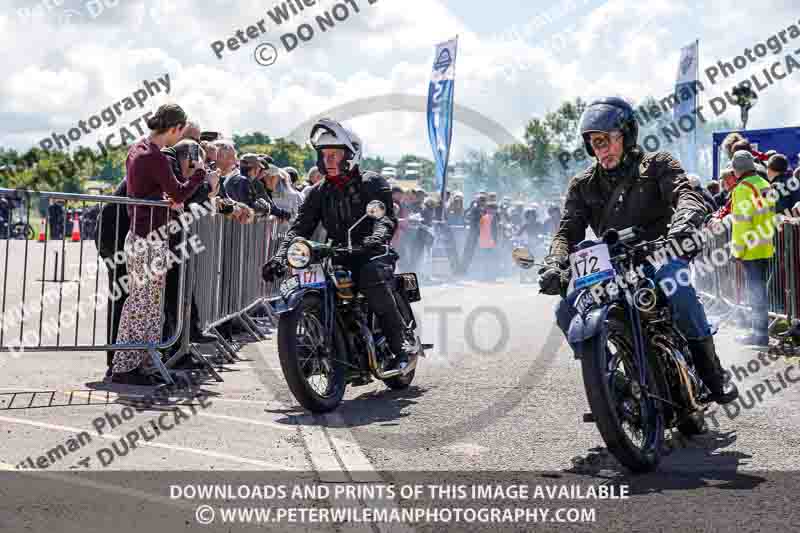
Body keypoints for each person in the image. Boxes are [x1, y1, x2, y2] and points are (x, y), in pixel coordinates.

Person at [537, 97, 737, 405]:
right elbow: (568, 230)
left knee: (677, 285)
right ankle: (609, 384)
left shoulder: (657, 165)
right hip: (612, 264)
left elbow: (686, 194)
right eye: (594, 144)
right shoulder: (582, 185)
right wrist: (555, 262)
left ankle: (712, 374)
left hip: (660, 252)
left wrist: (683, 224)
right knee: (565, 309)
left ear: (626, 135)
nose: (600, 150)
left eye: (606, 141)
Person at [261, 118, 414, 368]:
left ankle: (401, 346)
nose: (328, 160)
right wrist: (279, 257)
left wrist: (374, 239)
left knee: (369, 275)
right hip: (339, 252)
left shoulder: (372, 182)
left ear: (351, 155)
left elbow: (385, 219)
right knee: (313, 279)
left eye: (335, 154)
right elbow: (300, 227)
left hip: (373, 252)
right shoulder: (319, 192)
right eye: (324, 155)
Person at [112, 104, 217, 385]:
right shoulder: (155, 157)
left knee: (139, 303)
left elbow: (154, 190)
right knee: (145, 305)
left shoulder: (137, 149)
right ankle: (128, 366)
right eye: (181, 132)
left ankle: (132, 363)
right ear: (175, 128)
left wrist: (163, 198)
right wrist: (199, 174)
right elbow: (180, 193)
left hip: (140, 235)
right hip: (151, 238)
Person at [729, 150, 776, 347]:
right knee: (760, 292)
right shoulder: (764, 184)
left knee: (755, 293)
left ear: (736, 170)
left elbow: (742, 224)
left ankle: (759, 335)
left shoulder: (742, 189)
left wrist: (737, 252)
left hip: (750, 249)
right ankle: (760, 332)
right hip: (765, 246)